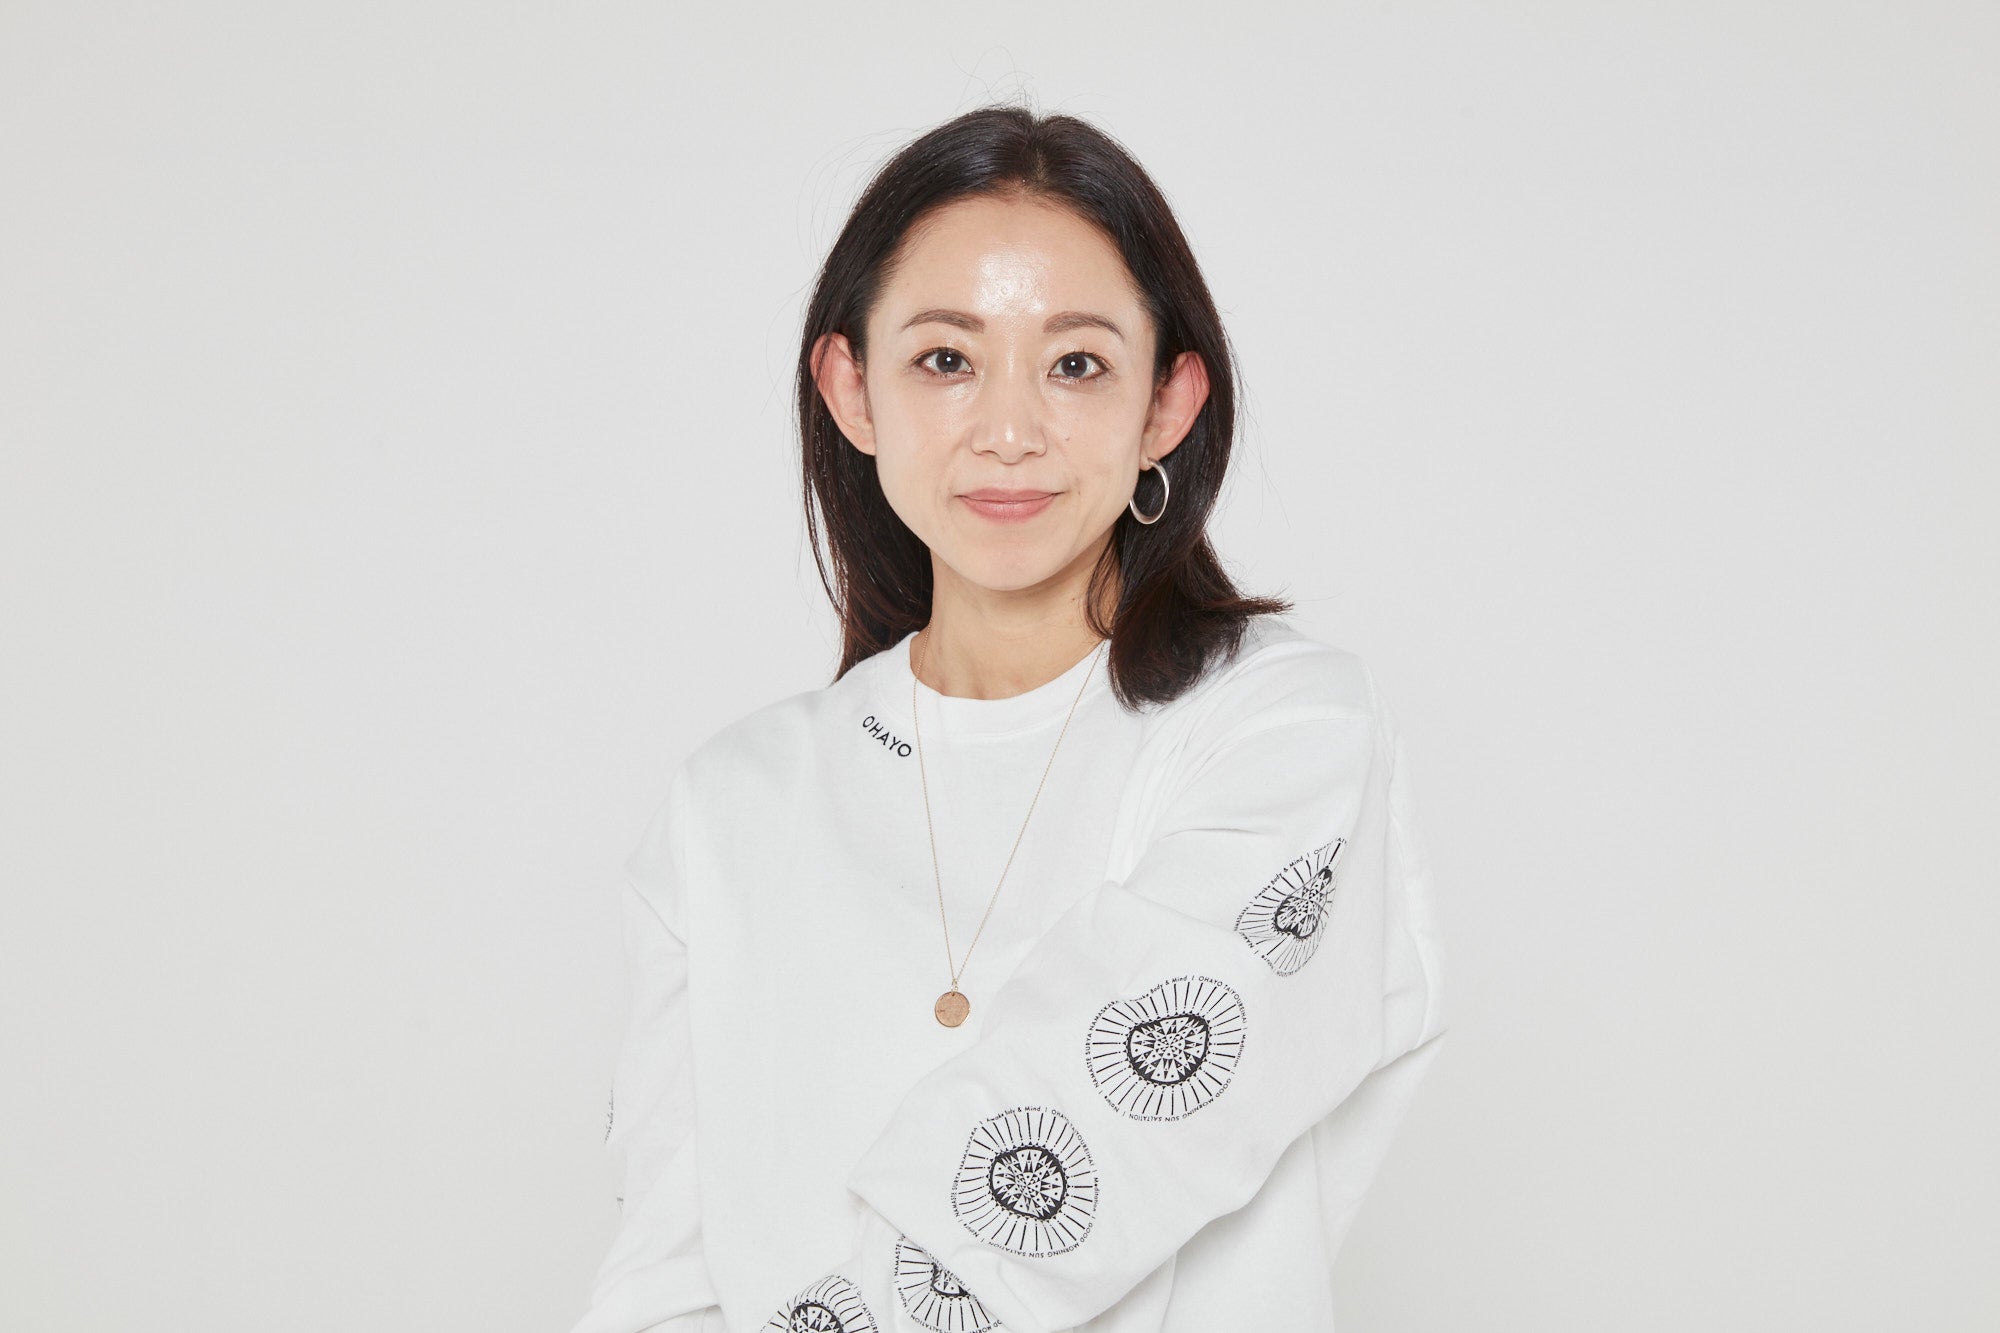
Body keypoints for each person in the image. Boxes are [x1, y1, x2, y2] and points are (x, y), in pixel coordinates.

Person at [568, 103, 1449, 1333]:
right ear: (851, 389)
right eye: (945, 359)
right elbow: (661, 1277)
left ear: (1166, 403)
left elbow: (1090, 1146)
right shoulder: (733, 800)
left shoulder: (1281, 732)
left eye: (1075, 364)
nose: (1009, 431)